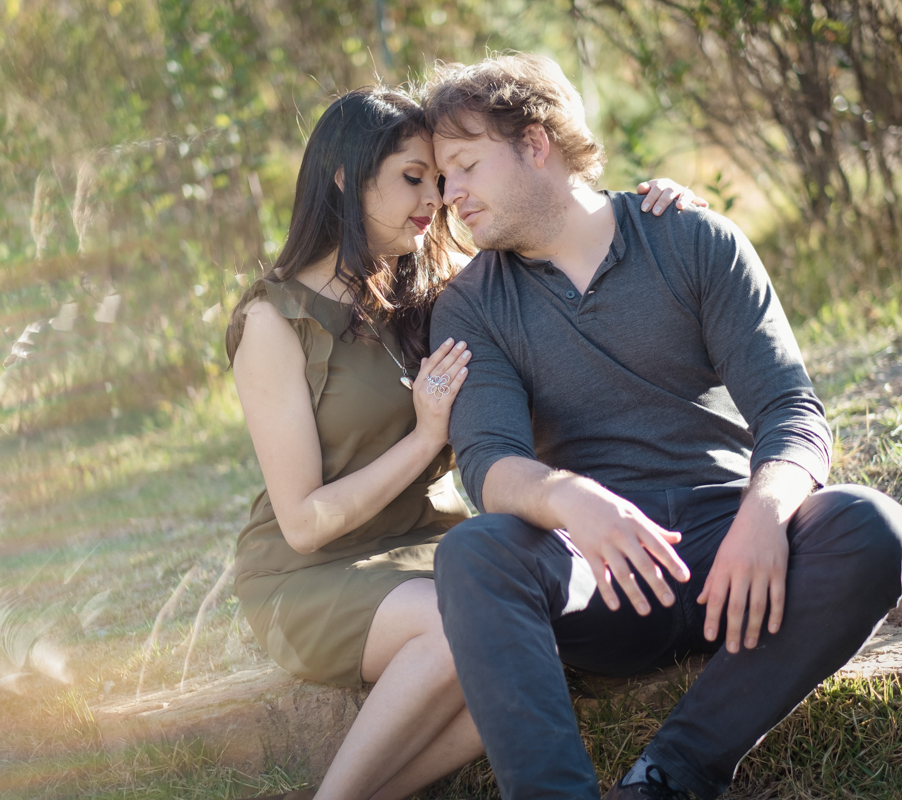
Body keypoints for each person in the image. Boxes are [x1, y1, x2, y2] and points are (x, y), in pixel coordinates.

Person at [422, 54, 902, 800]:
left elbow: (791, 409)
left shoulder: (691, 239)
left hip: (733, 549)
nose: (450, 194)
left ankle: (669, 777)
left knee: (872, 526)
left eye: (463, 166)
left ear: (534, 144)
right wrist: (572, 501)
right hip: (601, 570)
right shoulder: (471, 304)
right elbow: (488, 461)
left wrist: (765, 510)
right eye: (440, 177)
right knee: (474, 554)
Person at [225, 85, 704, 800]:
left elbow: (557, 222)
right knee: (466, 634)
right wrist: (425, 441)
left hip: (429, 546)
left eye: (441, 179)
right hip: (308, 577)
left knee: (521, 656)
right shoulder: (272, 321)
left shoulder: (436, 292)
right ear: (343, 179)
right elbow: (301, 523)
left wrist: (653, 213)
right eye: (413, 179)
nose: (436, 198)